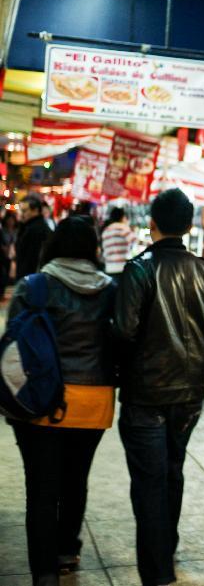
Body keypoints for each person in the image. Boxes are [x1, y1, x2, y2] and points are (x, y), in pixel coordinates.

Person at [111, 188, 204, 586]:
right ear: (190, 226)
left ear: (151, 224)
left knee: (149, 484)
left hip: (146, 396)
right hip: (190, 396)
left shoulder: (140, 270)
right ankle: (165, 550)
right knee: (172, 473)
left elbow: (123, 331)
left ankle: (157, 572)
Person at [7, 216, 117, 586]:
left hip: (41, 403)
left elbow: (12, 347)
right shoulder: (111, 289)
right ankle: (66, 550)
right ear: (92, 247)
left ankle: (44, 572)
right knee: (76, 479)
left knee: (41, 488)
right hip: (93, 402)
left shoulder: (33, 286)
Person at [16, 193, 53, 280]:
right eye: (20, 210)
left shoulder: (36, 229)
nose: (21, 214)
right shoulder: (29, 226)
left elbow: (31, 260)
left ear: (35, 210)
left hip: (31, 279)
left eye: (24, 211)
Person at [101, 207, 135, 281]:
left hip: (108, 269)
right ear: (122, 217)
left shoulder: (106, 231)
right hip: (121, 269)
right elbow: (134, 241)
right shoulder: (122, 227)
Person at [1, 211, 17, 297]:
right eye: (9, 220)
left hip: (13, 254)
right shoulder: (3, 231)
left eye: (12, 220)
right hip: (4, 254)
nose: (11, 222)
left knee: (8, 271)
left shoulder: (16, 231)